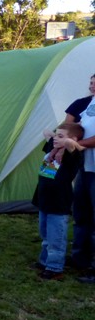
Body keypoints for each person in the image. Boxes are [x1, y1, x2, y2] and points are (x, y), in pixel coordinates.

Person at [32, 122, 84, 280]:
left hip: (58, 204)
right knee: (46, 235)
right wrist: (57, 138)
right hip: (44, 202)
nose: (56, 138)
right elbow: (46, 131)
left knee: (56, 238)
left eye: (61, 136)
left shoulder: (72, 156)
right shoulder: (52, 149)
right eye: (56, 135)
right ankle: (45, 261)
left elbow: (73, 145)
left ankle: (55, 268)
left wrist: (67, 141)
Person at [63, 73, 95, 282]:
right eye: (91, 81)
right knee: (81, 213)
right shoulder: (88, 104)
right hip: (86, 167)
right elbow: (72, 126)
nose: (92, 85)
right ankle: (80, 258)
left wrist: (77, 145)